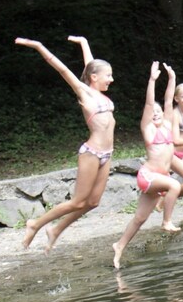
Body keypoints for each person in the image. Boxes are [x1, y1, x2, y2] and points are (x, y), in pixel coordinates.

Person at [15, 36, 115, 254]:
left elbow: (91, 65)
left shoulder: (100, 94)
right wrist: (40, 46)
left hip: (107, 153)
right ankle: (35, 224)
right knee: (79, 202)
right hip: (92, 153)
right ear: (94, 77)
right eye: (108, 75)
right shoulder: (83, 91)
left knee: (93, 202)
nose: (112, 79)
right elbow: (61, 69)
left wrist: (85, 43)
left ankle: (56, 230)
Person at [112, 61, 181, 269]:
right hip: (149, 176)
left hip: (158, 181)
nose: (157, 113)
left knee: (140, 218)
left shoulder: (168, 125)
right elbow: (150, 104)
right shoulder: (148, 129)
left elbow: (168, 101)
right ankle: (166, 221)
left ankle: (119, 246)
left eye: (159, 111)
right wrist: (152, 80)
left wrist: (172, 78)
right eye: (154, 112)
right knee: (175, 185)